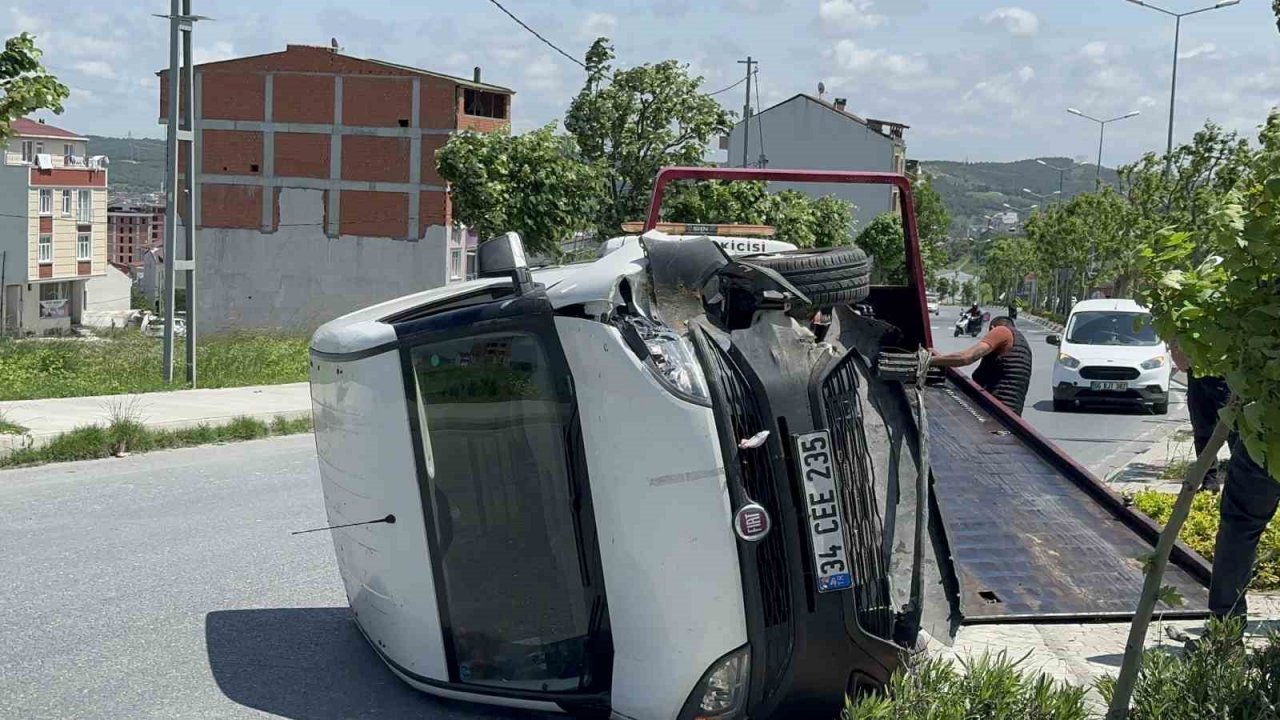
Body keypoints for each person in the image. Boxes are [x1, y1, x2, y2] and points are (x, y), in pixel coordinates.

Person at [931, 316, 1033, 415]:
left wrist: (930, 360)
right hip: (1012, 413)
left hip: (996, 407)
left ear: (992, 328)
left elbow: (966, 357)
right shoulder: (1022, 344)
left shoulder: (1001, 331)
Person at [1171, 343, 1231, 492]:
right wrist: (1175, 348)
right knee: (1202, 430)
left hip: (1227, 370)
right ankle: (1209, 483)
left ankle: (1241, 486)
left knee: (1235, 430)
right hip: (1197, 370)